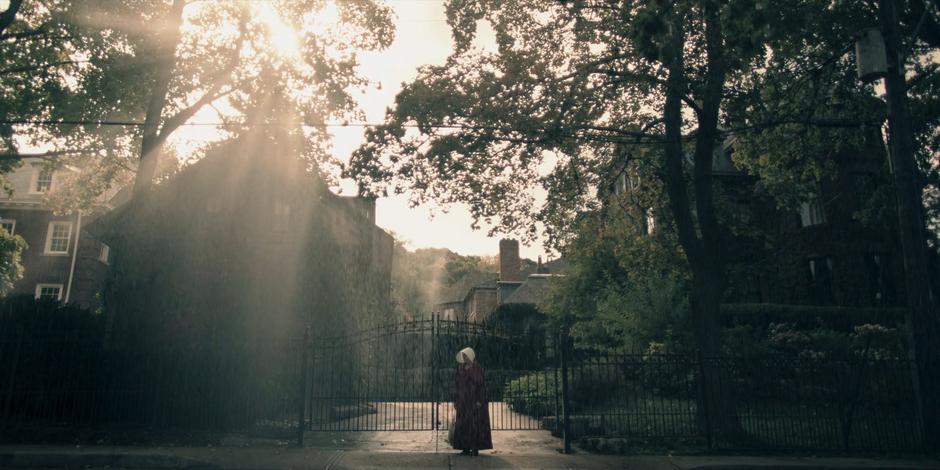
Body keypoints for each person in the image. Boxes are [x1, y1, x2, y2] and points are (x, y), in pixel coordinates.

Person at [452, 346, 493, 456]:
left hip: (474, 401)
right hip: (463, 401)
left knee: (474, 425)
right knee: (463, 424)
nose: (464, 358)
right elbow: (457, 385)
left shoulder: (477, 368)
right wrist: (456, 400)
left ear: (471, 356)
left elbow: (481, 385)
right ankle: (464, 448)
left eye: (466, 355)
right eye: (463, 356)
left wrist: (480, 400)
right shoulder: (460, 368)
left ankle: (475, 448)